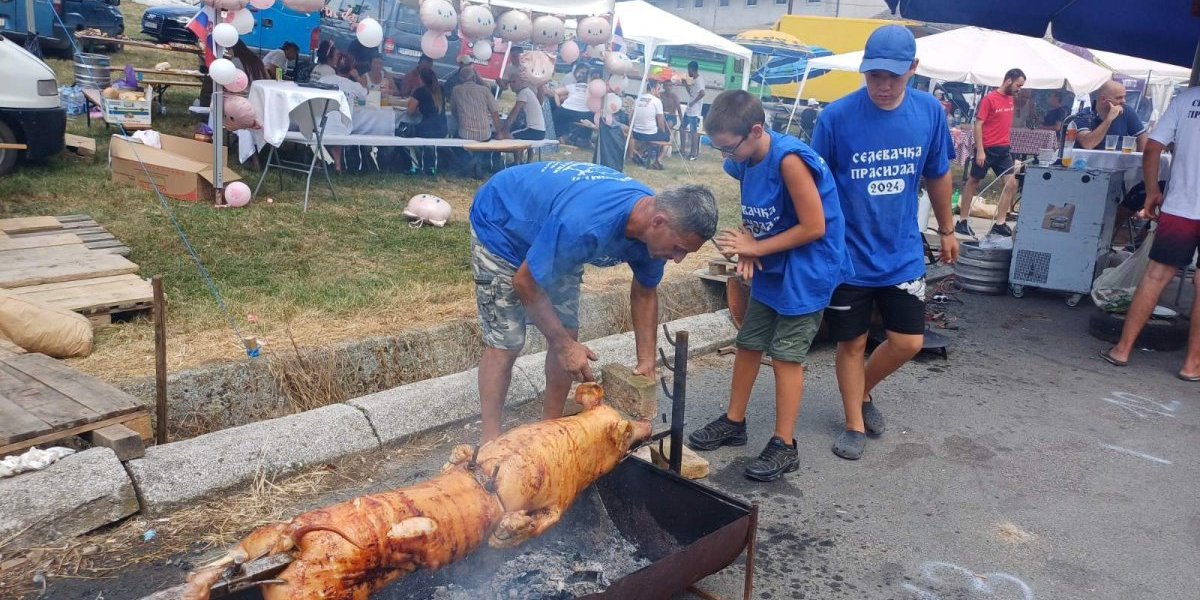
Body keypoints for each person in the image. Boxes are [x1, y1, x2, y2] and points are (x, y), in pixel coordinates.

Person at [469, 162, 719, 442]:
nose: (678, 259)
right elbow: (525, 282)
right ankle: (489, 441)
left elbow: (645, 292)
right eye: (678, 249)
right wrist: (563, 346)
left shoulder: (652, 236)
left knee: (568, 333)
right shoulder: (585, 223)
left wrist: (646, 361)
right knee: (508, 341)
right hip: (504, 223)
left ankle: (549, 433)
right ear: (658, 221)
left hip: (556, 235)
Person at [685, 90, 853, 482]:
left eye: (729, 149)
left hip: (807, 268)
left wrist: (755, 246)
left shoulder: (790, 161)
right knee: (749, 342)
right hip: (771, 262)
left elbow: (814, 227)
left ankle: (785, 444)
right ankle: (734, 421)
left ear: (756, 130)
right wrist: (748, 246)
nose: (726, 157)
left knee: (785, 355)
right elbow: (755, 214)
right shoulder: (744, 159)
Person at [810, 24, 960, 460]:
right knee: (851, 343)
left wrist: (948, 230)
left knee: (908, 342)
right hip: (848, 256)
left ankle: (862, 392)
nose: (884, 85)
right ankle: (853, 422)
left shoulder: (929, 112)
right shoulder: (835, 118)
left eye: (894, 75)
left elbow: (938, 174)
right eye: (874, 75)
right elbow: (815, 184)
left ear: (913, 68)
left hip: (902, 252)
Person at [1100, 85, 1200, 382]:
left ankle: (1122, 349)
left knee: (1156, 275)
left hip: (1181, 204)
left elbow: (1153, 147)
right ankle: (1192, 365)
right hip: (1181, 204)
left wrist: (1153, 190)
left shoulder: (1187, 99)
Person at [957, 68, 1025, 238]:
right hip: (986, 148)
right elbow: (978, 124)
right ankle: (962, 221)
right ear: (1009, 80)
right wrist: (980, 150)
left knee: (1011, 184)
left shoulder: (1010, 99)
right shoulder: (989, 99)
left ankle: (1000, 223)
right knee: (973, 181)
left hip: (1003, 149)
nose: (1019, 89)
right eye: (1018, 85)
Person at [1076, 80, 1148, 151]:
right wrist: (1108, 120)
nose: (1124, 101)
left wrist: (1140, 160)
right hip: (1090, 161)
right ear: (1103, 99)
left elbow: (1142, 137)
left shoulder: (1127, 111)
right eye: (1119, 98)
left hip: (1118, 161)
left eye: (1124, 97)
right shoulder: (1084, 114)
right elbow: (1088, 144)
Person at [408, 69, 448, 171]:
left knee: (406, 134)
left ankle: (414, 165)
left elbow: (410, 112)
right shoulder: (441, 90)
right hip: (442, 129)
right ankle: (430, 164)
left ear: (421, 79)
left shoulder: (420, 91)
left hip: (427, 129)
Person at [450, 67, 502, 142]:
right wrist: (499, 133)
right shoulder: (485, 90)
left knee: (454, 139)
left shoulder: (456, 90)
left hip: (464, 135)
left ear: (460, 79)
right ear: (474, 77)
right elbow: (495, 113)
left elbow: (454, 111)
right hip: (485, 135)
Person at [631, 79, 670, 169]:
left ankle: (640, 154)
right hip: (648, 134)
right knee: (667, 139)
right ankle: (659, 160)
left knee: (650, 137)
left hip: (636, 132)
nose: (659, 91)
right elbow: (660, 121)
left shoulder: (638, 99)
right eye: (658, 89)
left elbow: (631, 116)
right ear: (653, 89)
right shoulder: (656, 101)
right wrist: (663, 131)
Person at [554, 68, 595, 146]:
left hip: (566, 110)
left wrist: (558, 105)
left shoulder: (572, 86)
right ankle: (585, 139)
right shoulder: (591, 89)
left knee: (559, 117)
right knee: (591, 119)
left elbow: (556, 92)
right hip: (584, 113)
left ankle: (561, 137)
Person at [681, 61, 706, 160]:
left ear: (692, 69)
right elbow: (691, 93)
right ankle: (682, 150)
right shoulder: (694, 80)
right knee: (682, 128)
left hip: (694, 110)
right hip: (689, 109)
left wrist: (693, 102)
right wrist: (685, 84)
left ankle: (693, 154)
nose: (688, 72)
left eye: (688, 70)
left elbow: (702, 93)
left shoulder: (699, 80)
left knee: (693, 132)